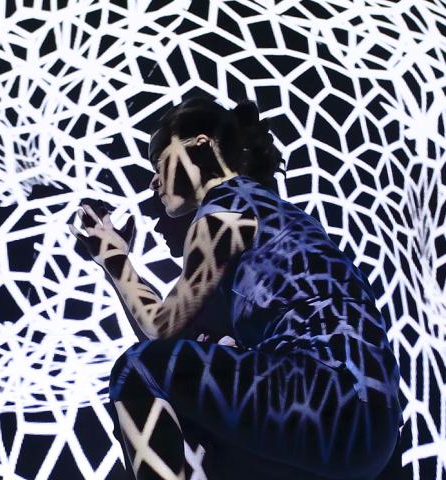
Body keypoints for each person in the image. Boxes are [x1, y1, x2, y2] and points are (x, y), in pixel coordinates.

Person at [70, 98, 401, 479]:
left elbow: (160, 329)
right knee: (199, 399)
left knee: (137, 370)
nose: (154, 181)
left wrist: (115, 260)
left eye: (160, 162)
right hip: (374, 424)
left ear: (201, 144)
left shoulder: (224, 211)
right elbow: (184, 342)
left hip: (326, 395)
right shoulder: (275, 215)